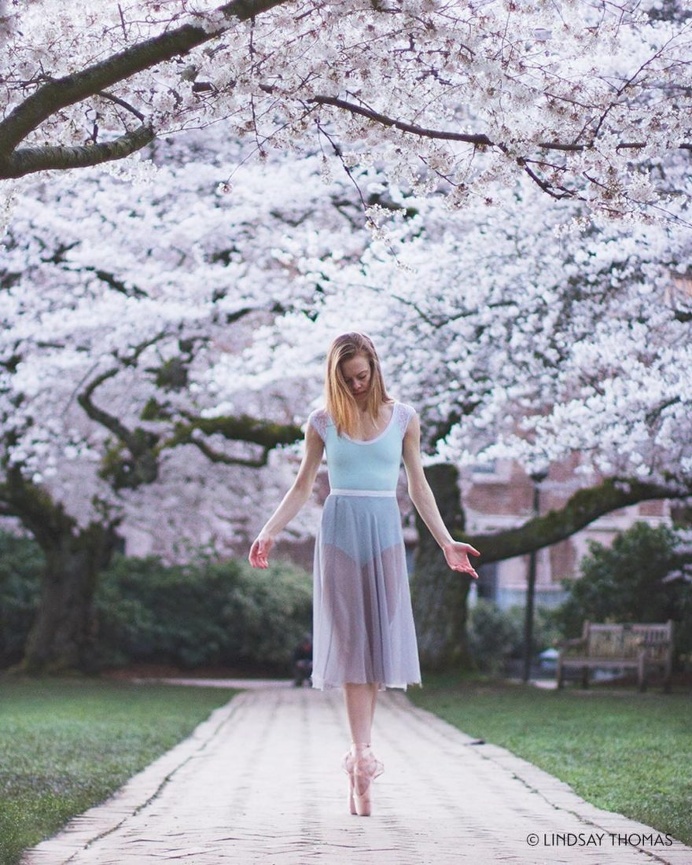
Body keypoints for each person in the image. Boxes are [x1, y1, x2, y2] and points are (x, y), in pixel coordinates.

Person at [249, 332, 479, 817]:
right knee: (353, 645)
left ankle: (360, 757)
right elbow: (302, 486)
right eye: (347, 379)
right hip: (340, 534)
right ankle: (362, 755)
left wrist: (445, 542)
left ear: (374, 367)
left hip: (385, 535)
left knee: (375, 646)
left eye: (362, 376)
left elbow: (418, 486)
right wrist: (269, 531)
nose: (356, 385)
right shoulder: (322, 422)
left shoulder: (404, 418)